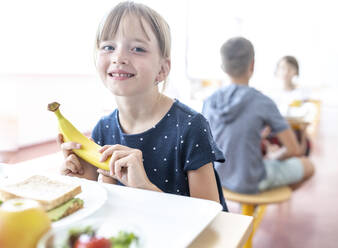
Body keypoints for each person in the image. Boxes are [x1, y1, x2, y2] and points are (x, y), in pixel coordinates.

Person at [57, 1, 228, 211]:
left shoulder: (190, 126)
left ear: (162, 69)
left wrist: (145, 188)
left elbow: (209, 215)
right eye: (108, 47)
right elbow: (112, 201)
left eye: (138, 49)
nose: (118, 57)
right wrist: (84, 180)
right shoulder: (103, 128)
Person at [202, 37, 315, 194]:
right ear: (252, 65)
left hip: (216, 176)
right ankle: (268, 193)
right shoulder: (262, 102)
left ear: (223, 67)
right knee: (308, 165)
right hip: (250, 180)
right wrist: (273, 158)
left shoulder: (209, 101)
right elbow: (294, 150)